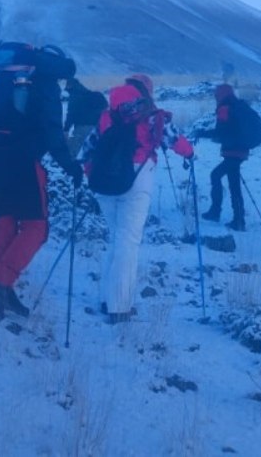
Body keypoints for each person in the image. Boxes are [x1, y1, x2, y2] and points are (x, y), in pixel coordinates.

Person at [0, 43, 83, 325]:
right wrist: (71, 166)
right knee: (36, 227)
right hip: (22, 161)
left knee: (2, 227)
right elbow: (52, 130)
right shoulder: (43, 80)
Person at [81, 77, 192, 323]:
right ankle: (119, 307)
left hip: (104, 184)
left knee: (116, 238)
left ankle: (106, 298)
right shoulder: (152, 115)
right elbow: (174, 141)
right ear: (146, 92)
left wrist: (91, 174)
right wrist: (190, 153)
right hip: (137, 179)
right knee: (128, 242)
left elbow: (85, 150)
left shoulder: (107, 115)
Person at [202, 84, 258, 231]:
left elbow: (220, 133)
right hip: (241, 151)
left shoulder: (225, 108)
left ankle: (217, 212)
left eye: (216, 95)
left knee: (216, 176)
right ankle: (238, 220)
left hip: (232, 152)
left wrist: (201, 133)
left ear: (220, 95)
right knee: (233, 185)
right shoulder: (238, 106)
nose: (215, 97)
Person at [63, 77, 107, 157]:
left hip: (83, 125)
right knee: (89, 148)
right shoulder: (85, 92)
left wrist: (66, 129)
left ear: (69, 85)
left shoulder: (75, 95)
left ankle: (68, 166)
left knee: (72, 149)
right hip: (96, 125)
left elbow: (71, 113)